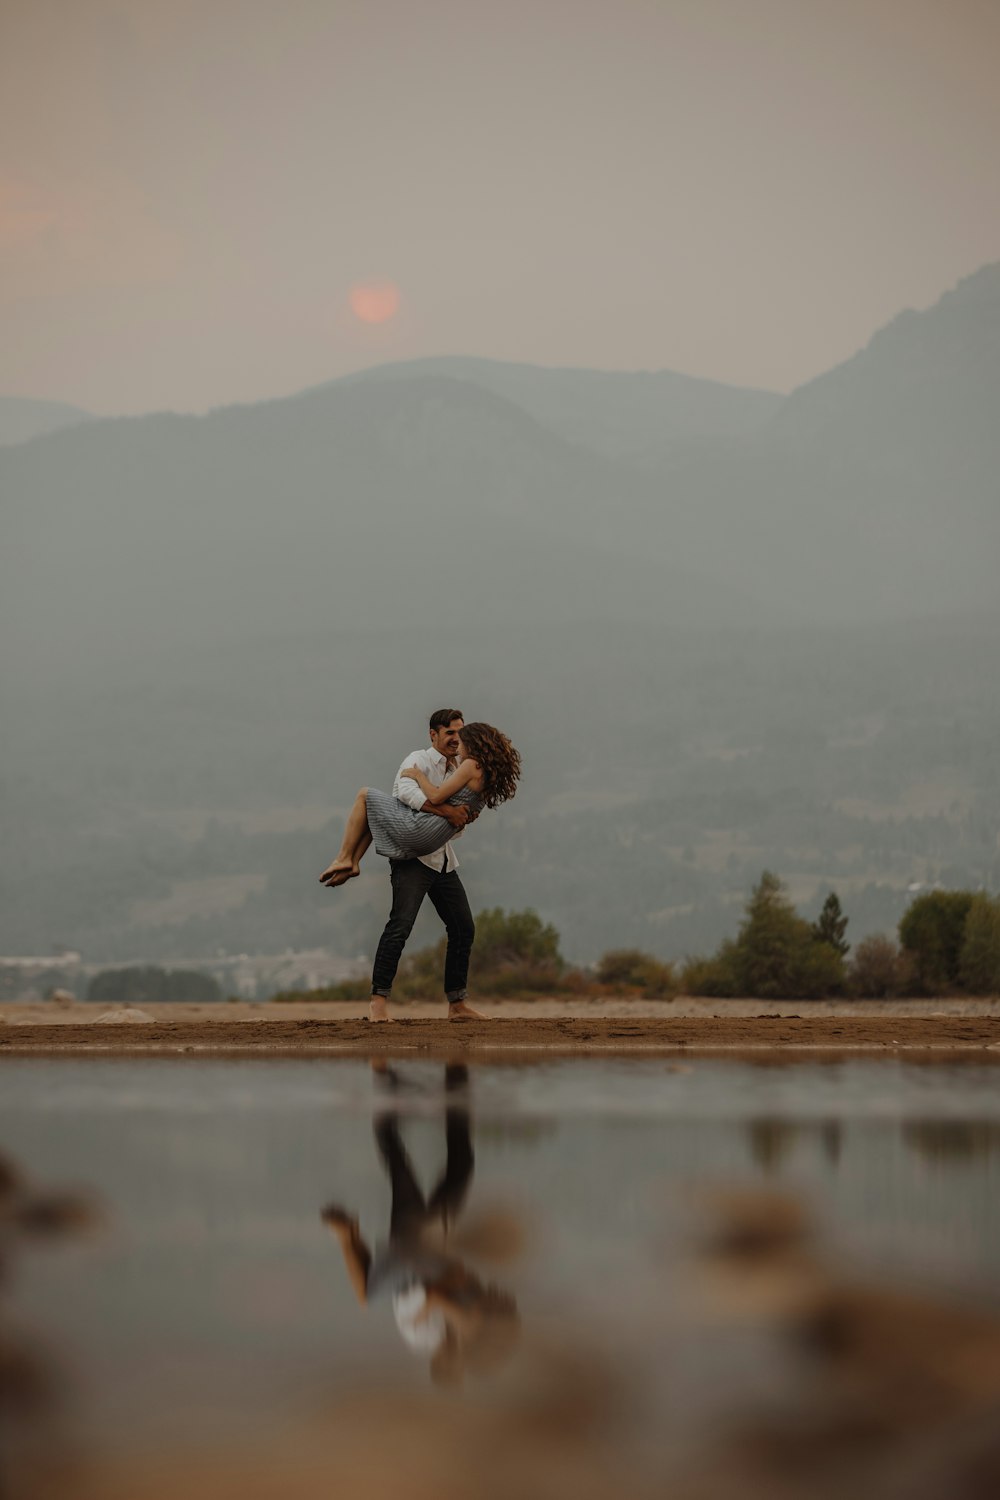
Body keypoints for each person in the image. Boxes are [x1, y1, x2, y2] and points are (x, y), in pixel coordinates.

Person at [322, 1063, 520, 1386]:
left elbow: (433, 1295)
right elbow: (463, 1281)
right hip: (425, 1249)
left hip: (412, 1252)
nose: (459, 1352)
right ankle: (452, 1083)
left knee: (404, 1169)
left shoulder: (426, 1338)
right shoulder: (456, 1328)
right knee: (454, 1167)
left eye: (453, 1360)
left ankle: (387, 1085)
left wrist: (462, 1314)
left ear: (441, 1361)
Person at [318, 711, 521, 1023]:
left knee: (463, 927)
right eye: (450, 733)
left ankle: (457, 1004)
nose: (456, 739)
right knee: (400, 926)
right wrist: (449, 812)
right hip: (414, 859)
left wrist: (459, 817)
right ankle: (378, 1003)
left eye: (460, 733)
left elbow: (461, 821)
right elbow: (405, 794)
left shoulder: (462, 765)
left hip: (441, 858)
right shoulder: (418, 760)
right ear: (433, 735)